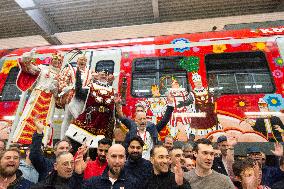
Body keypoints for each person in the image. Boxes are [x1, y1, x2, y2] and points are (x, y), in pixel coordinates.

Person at [12, 51, 63, 145]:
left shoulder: (61, 75)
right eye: (55, 59)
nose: (56, 62)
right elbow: (28, 68)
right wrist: (27, 58)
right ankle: (23, 140)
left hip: (50, 100)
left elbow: (60, 94)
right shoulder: (42, 68)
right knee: (30, 115)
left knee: (47, 120)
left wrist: (55, 89)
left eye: (59, 61)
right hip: (38, 95)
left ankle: (43, 142)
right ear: (51, 60)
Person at [66, 69, 115, 147]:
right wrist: (78, 76)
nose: (104, 75)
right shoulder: (90, 87)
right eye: (101, 74)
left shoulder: (113, 91)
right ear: (97, 76)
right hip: (88, 120)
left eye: (106, 75)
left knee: (98, 148)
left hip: (103, 123)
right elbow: (79, 92)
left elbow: (114, 109)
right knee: (77, 143)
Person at [56, 54, 92, 139]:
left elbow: (91, 84)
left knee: (79, 118)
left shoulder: (89, 72)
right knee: (67, 118)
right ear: (77, 61)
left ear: (86, 62)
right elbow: (63, 81)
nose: (82, 61)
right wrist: (67, 88)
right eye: (80, 59)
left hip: (82, 98)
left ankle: (76, 139)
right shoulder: (71, 69)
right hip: (71, 96)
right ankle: (63, 139)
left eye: (84, 60)